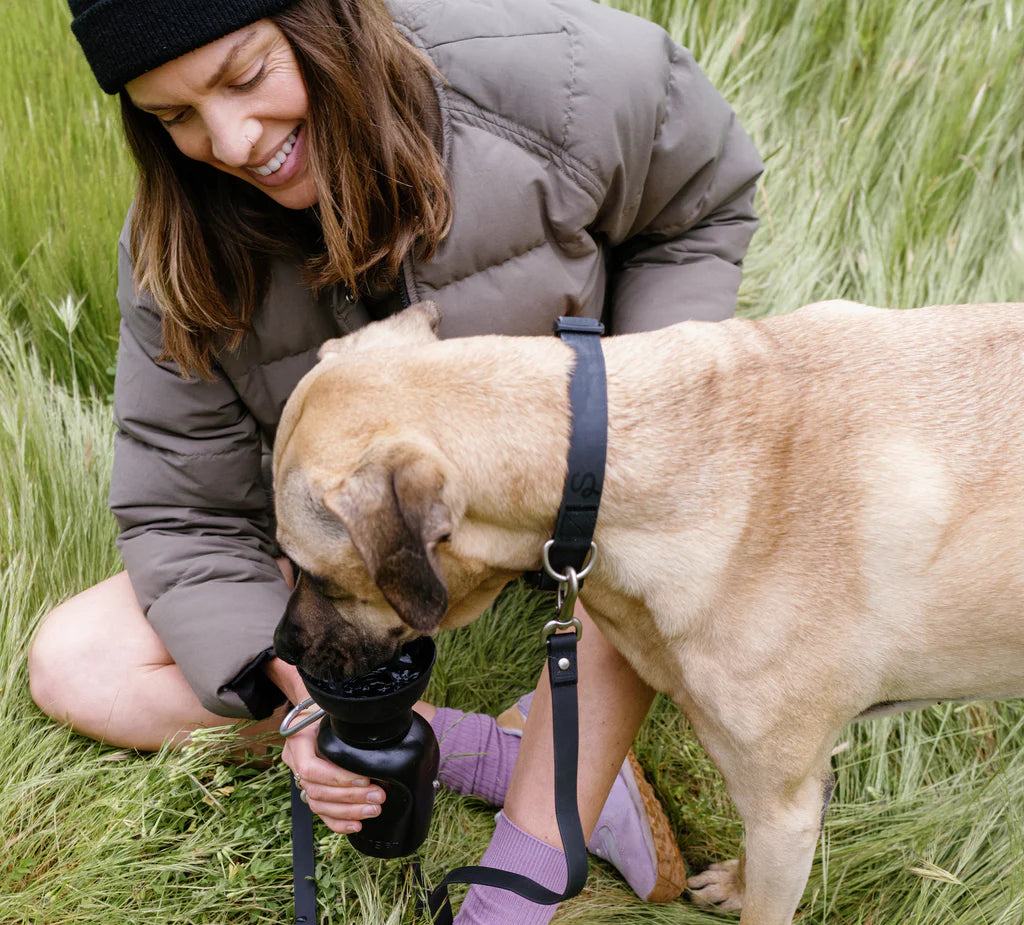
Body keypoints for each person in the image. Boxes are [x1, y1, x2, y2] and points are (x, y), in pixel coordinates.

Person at [29, 0, 762, 921]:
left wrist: (630, 412)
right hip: (368, 538)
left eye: (246, 75)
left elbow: (701, 199)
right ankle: (503, 753)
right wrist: (305, 708)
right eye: (173, 116)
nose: (231, 140)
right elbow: (184, 515)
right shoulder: (176, 248)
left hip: (562, 486)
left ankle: (528, 867)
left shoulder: (564, 76)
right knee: (75, 661)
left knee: (641, 516)